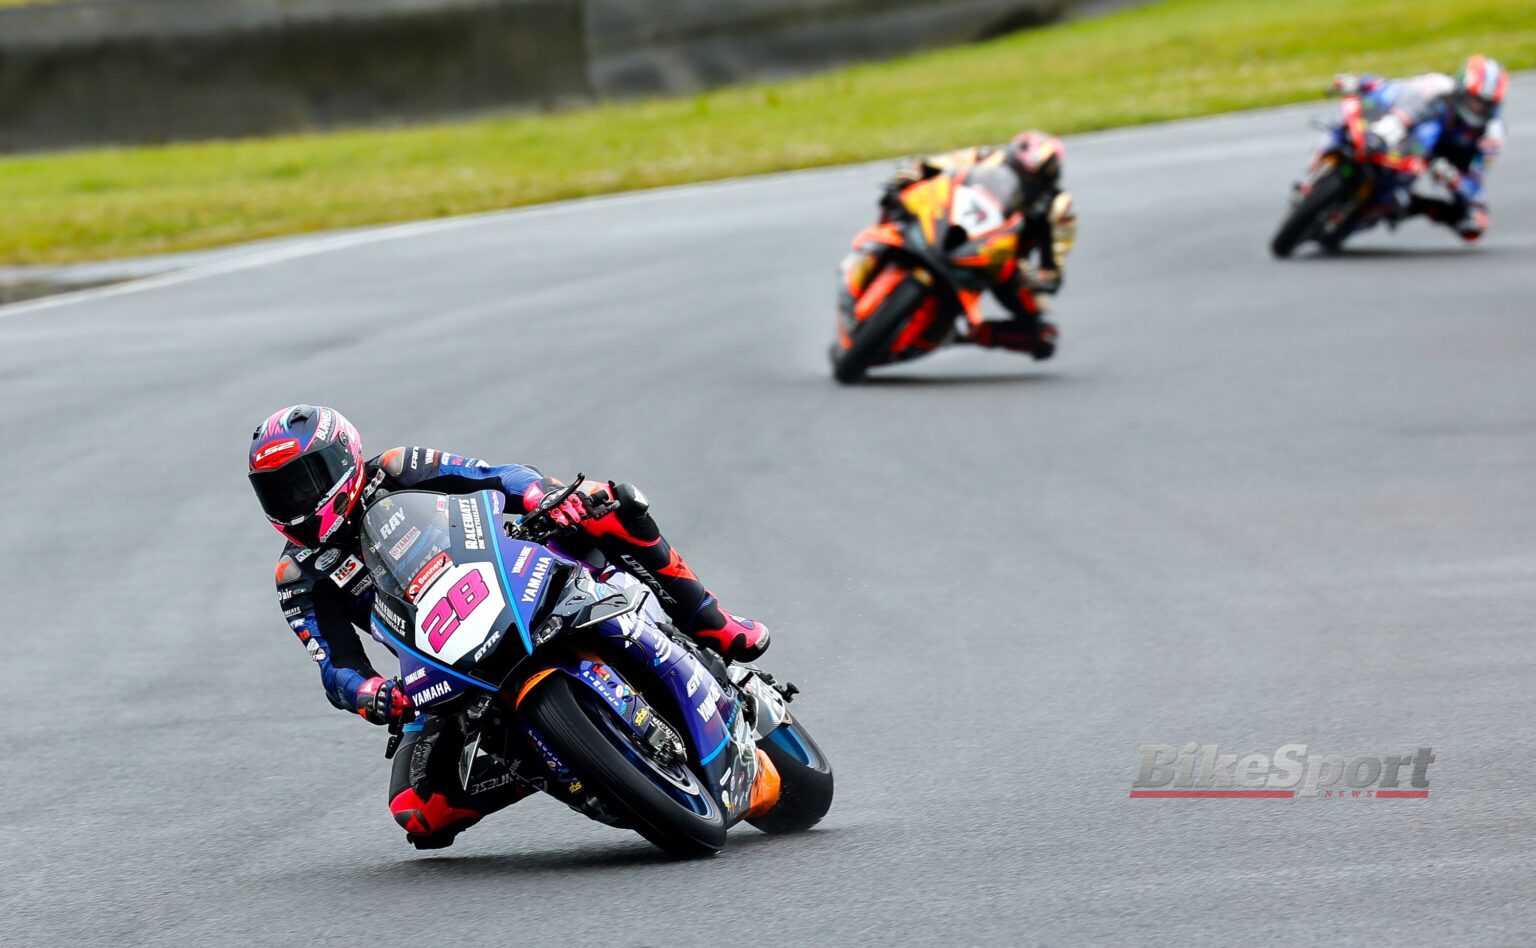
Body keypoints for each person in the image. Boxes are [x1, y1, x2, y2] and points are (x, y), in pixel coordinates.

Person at [247, 404, 770, 848]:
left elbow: (497, 475)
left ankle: (710, 620)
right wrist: (371, 693)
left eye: (304, 481)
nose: (294, 502)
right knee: (419, 812)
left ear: (343, 458)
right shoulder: (297, 575)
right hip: (441, 663)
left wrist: (542, 495)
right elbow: (335, 663)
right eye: (277, 492)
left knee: (604, 501)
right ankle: (555, 757)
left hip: (516, 575)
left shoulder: (398, 468)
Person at [876, 130, 1077, 358]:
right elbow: (934, 164)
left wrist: (1036, 277)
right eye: (1020, 172)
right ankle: (877, 250)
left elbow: (1053, 271)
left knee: (1044, 336)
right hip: (948, 222)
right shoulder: (985, 157)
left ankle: (966, 334)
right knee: (898, 195)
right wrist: (910, 173)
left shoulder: (1058, 208)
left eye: (1032, 179)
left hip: (999, 260)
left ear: (1046, 181)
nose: (1024, 182)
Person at [1329, 55, 1508, 241]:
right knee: (1353, 117)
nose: (1477, 108)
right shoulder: (1436, 85)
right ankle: (1348, 149)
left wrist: (1453, 178)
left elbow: (1476, 182)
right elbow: (1394, 88)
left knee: (1475, 223)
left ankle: (1383, 207)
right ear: (1461, 90)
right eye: (1474, 100)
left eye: (1485, 105)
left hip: (1441, 161)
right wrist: (1362, 82)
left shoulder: (1492, 135)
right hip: (1404, 138)